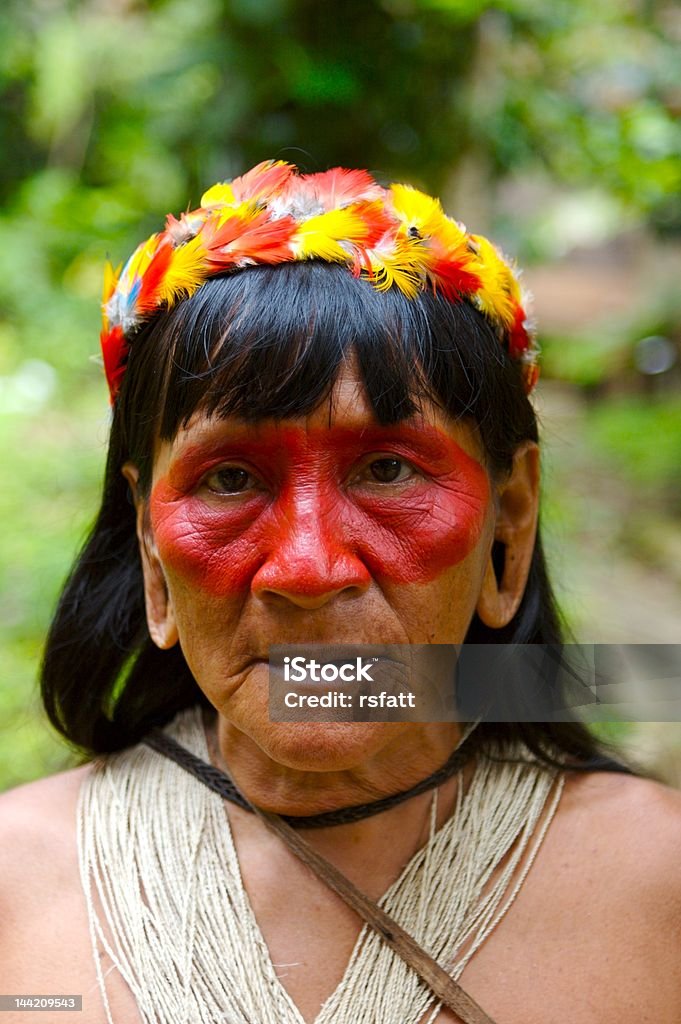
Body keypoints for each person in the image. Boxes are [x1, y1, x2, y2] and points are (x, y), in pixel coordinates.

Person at [1, 160, 680, 1024]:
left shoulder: (660, 886)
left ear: (509, 520)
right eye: (230, 479)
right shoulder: (15, 890)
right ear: (147, 543)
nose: (309, 569)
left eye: (388, 470)